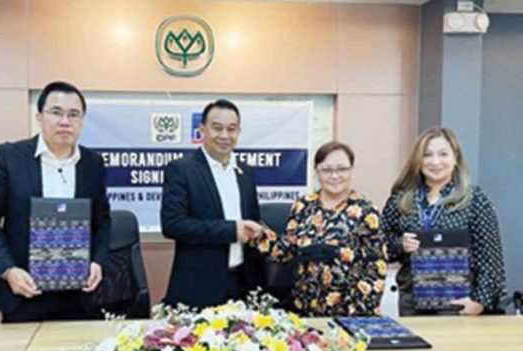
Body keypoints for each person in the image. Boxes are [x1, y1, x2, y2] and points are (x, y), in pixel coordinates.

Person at [0, 81, 109, 322]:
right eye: (56, 113)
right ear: (39, 117)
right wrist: (7, 270)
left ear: (82, 121)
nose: (65, 121)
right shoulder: (9, 157)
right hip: (23, 292)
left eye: (74, 115)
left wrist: (97, 261)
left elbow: (102, 221)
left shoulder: (93, 164)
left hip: (78, 296)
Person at [253, 142, 387, 316]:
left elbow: (378, 267)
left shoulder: (367, 211)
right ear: (317, 171)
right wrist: (259, 234)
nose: (334, 175)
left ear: (351, 171)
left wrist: (341, 255)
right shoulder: (303, 206)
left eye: (342, 169)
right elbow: (286, 250)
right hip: (306, 307)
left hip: (352, 312)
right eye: (326, 170)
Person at [382, 127, 505, 315]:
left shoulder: (475, 200)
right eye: (427, 155)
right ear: (418, 160)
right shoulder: (401, 199)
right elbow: (382, 244)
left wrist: (479, 301)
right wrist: (401, 244)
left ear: (455, 159)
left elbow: (491, 260)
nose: (435, 162)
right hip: (412, 301)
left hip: (460, 302)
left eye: (443, 154)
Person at [160, 99, 263, 309]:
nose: (225, 136)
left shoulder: (246, 172)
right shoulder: (181, 169)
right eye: (217, 128)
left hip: (241, 284)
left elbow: (251, 219)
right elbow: (172, 224)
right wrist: (231, 230)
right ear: (202, 130)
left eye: (231, 129)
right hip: (198, 287)